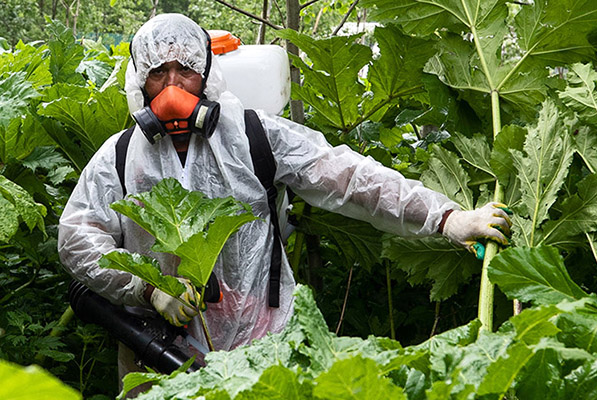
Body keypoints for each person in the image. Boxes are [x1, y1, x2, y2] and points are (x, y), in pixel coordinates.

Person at [57, 13, 512, 391]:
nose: (172, 87)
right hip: (157, 355)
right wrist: (147, 288)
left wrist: (446, 218)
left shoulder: (254, 135)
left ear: (207, 75)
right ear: (139, 82)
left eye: (185, 70)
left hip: (262, 345)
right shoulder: (118, 157)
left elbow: (349, 177)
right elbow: (77, 237)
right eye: (158, 73)